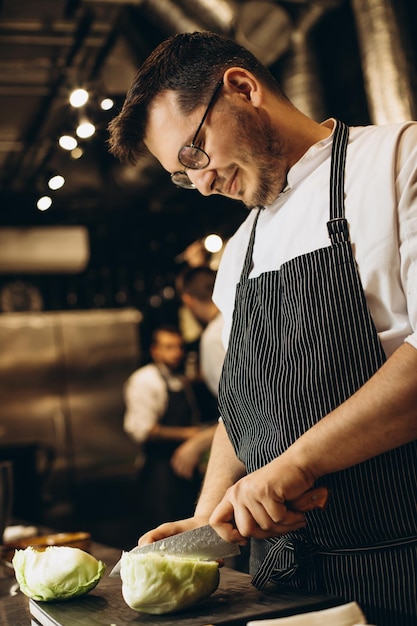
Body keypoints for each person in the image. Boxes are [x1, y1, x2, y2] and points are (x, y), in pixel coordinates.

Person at [108, 31, 417, 626]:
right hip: (282, 579)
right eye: (180, 175)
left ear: (242, 89)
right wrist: (207, 515)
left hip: (401, 559)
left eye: (194, 155)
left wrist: (295, 467)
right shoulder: (242, 250)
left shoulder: (397, 160)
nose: (199, 183)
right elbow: (245, 401)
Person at [123, 325, 205, 531]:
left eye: (179, 347)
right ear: (155, 350)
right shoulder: (145, 380)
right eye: (169, 347)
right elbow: (143, 429)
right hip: (159, 472)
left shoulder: (179, 380)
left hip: (186, 470)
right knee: (163, 533)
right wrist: (189, 434)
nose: (176, 353)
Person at [171, 266, 225, 480]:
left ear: (188, 301)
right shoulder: (242, 317)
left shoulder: (213, 337)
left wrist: (201, 441)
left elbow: (246, 408)